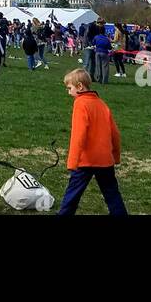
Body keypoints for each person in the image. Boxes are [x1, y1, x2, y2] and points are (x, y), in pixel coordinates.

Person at [58, 68, 127, 216]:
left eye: (69, 88)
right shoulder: (102, 104)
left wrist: (72, 161)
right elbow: (115, 133)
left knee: (72, 197)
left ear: (80, 87)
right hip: (105, 160)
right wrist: (115, 156)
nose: (68, 92)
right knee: (112, 195)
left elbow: (78, 135)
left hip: (85, 161)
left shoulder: (80, 104)